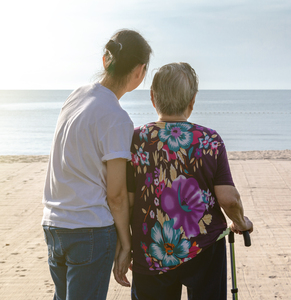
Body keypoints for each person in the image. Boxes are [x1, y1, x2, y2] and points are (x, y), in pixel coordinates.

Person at [126, 62, 253, 300]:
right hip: (203, 250)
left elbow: (128, 201)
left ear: (153, 98)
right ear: (192, 100)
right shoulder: (209, 140)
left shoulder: (136, 140)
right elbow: (229, 198)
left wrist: (125, 246)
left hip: (151, 249)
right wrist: (240, 222)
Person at [42, 29, 152, 299]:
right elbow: (116, 195)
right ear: (140, 71)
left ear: (106, 60)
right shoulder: (116, 118)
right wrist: (126, 244)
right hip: (88, 229)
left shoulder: (76, 96)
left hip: (54, 224)